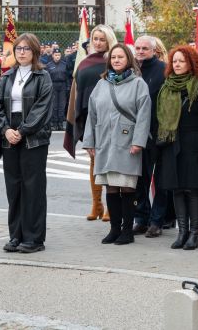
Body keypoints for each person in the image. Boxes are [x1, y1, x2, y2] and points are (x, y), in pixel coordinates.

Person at [83, 44, 152, 245]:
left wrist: (138, 141)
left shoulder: (139, 84)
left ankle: (127, 231)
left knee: (127, 188)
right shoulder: (101, 84)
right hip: (104, 140)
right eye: (113, 57)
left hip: (127, 141)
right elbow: (92, 114)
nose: (116, 60)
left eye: (120, 57)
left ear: (128, 59)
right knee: (110, 187)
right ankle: (114, 228)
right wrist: (90, 141)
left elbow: (144, 115)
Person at [0, 32, 53, 254]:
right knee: (14, 187)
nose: (22, 52)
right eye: (18, 48)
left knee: (33, 187)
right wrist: (6, 130)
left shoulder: (42, 76)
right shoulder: (8, 76)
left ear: (35, 52)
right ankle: (15, 235)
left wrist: (22, 131)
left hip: (33, 137)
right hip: (10, 134)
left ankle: (34, 238)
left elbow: (42, 109)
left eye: (26, 49)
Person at [156, 45, 198, 250]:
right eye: (175, 61)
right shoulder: (167, 87)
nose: (177, 64)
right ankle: (181, 232)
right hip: (171, 144)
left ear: (191, 63)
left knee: (192, 190)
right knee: (177, 190)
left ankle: (193, 234)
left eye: (182, 61)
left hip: (193, 145)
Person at [64, 25, 118, 222]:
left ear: (109, 40)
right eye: (95, 38)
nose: (98, 42)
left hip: (111, 119)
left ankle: (112, 206)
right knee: (94, 161)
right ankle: (96, 204)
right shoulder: (85, 62)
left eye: (102, 39)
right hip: (89, 119)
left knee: (110, 162)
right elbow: (77, 92)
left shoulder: (114, 60)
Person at [131, 35, 167, 237]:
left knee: (160, 180)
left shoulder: (163, 70)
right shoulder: (131, 70)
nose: (141, 51)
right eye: (138, 47)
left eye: (145, 48)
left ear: (154, 51)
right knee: (140, 179)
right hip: (138, 133)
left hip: (159, 133)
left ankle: (157, 221)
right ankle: (141, 218)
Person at [46, 48, 69, 131]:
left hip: (62, 85)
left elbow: (67, 77)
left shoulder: (64, 64)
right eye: (55, 55)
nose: (57, 57)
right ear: (52, 56)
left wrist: (68, 87)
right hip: (53, 85)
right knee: (54, 105)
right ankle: (54, 124)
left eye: (59, 55)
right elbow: (47, 78)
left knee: (62, 105)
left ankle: (60, 124)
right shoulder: (49, 65)